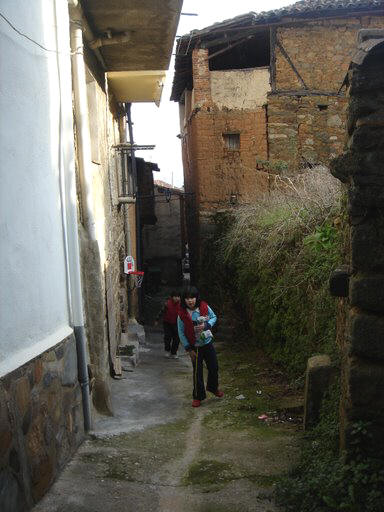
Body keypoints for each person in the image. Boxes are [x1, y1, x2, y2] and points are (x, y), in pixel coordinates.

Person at [177, 286, 224, 407]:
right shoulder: (182, 313)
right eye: (187, 298)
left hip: (207, 343)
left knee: (214, 367)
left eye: (192, 297)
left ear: (196, 298)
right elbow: (181, 332)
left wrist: (207, 325)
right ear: (184, 300)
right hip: (195, 347)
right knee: (197, 373)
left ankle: (213, 388)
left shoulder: (204, 307)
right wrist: (188, 349)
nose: (190, 301)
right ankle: (198, 396)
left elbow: (214, 317)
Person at [156, 291, 181, 359]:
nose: (176, 298)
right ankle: (167, 350)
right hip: (167, 323)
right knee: (168, 337)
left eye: (178, 297)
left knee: (176, 338)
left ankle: (174, 352)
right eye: (175, 296)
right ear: (172, 297)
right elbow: (161, 311)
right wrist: (157, 319)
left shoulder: (181, 305)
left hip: (177, 323)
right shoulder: (167, 303)